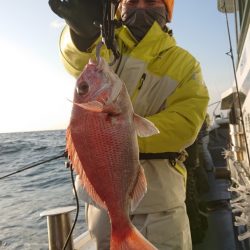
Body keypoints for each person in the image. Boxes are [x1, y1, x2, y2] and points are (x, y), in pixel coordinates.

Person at [49, 0, 209, 249]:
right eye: (132, 1)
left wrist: (120, 134)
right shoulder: (102, 45)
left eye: (152, 1)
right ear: (119, 7)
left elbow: (186, 124)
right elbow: (74, 60)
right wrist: (79, 35)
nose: (141, 7)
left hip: (160, 210)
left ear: (167, 11)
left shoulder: (185, 64)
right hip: (103, 210)